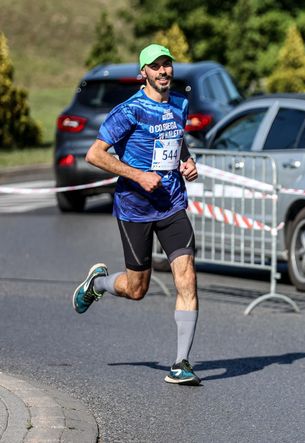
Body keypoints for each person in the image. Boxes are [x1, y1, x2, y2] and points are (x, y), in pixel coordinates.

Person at [71, 44, 201, 386]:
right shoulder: (129, 111)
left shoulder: (180, 104)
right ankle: (97, 284)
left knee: (186, 276)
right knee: (136, 288)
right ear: (143, 73)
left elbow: (177, 140)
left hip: (172, 204)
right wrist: (137, 174)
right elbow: (95, 155)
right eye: (155, 67)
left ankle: (181, 362)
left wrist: (186, 161)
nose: (163, 72)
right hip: (135, 209)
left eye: (167, 65)